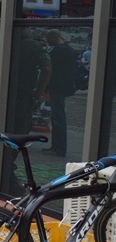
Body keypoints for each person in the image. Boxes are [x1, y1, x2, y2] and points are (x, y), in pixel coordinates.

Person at [43, 29, 75, 157]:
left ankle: (58, 147)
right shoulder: (69, 50)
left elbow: (50, 68)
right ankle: (58, 147)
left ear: (53, 38)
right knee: (58, 116)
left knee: (58, 117)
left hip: (57, 86)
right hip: (64, 86)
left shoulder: (58, 51)